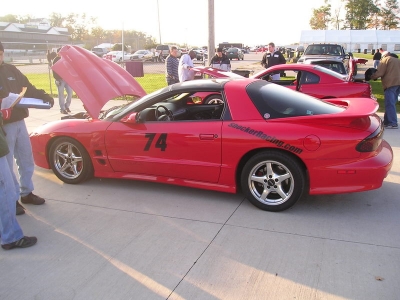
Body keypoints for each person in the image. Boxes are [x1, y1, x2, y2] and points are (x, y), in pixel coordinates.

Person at [0, 41, 54, 215]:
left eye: (0, 53)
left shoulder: (11, 70)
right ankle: (12, 199)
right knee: (7, 166)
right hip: (3, 126)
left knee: (25, 158)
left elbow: (27, 87)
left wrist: (43, 95)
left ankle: (26, 192)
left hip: (19, 121)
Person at [370, 51, 400, 129]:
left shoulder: (386, 59)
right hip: (398, 83)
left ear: (384, 56)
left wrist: (372, 76)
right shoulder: (397, 60)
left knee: (389, 103)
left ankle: (392, 122)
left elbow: (380, 72)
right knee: (392, 103)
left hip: (390, 83)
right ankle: (387, 121)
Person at [52, 48, 73, 114]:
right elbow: (54, 71)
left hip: (66, 79)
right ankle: (62, 108)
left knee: (70, 93)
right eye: (60, 52)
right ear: (57, 52)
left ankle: (67, 106)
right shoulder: (55, 60)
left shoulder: (65, 59)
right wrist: (57, 79)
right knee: (61, 94)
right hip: (60, 80)